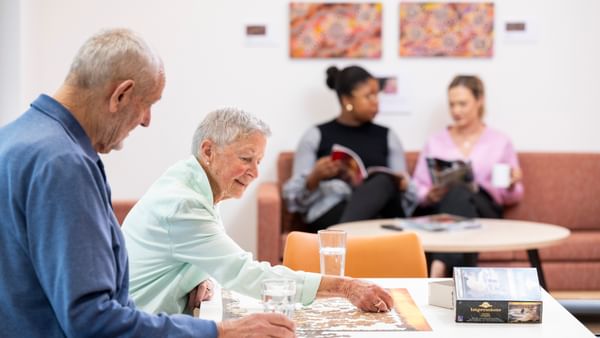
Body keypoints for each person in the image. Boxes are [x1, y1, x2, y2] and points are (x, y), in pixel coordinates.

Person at [0, 28, 294, 338]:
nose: (146, 120)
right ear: (121, 95)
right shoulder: (63, 163)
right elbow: (92, 320)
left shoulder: (14, 138)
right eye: (147, 104)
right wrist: (219, 331)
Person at [122, 108, 394, 316]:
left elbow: (185, 253)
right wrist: (345, 287)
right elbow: (244, 273)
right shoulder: (184, 203)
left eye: (259, 161)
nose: (254, 172)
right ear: (208, 151)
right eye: (245, 159)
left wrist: (197, 276)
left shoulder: (192, 184)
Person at [412, 75, 524, 277]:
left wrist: (511, 185)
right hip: (443, 209)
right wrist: (429, 195)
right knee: (455, 194)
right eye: (452, 104)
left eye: (462, 104)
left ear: (479, 100)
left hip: (485, 211)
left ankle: (438, 266)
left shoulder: (500, 141)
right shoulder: (435, 141)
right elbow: (417, 186)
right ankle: (465, 275)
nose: (456, 111)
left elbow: (514, 196)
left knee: (460, 190)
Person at [282, 65, 418, 232]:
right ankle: (346, 235)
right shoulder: (315, 135)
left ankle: (339, 238)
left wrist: (402, 183)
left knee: (383, 181)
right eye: (368, 96)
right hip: (334, 211)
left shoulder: (388, 136)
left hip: (381, 213)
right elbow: (292, 198)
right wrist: (314, 178)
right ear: (347, 100)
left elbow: (407, 192)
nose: (376, 102)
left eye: (377, 95)